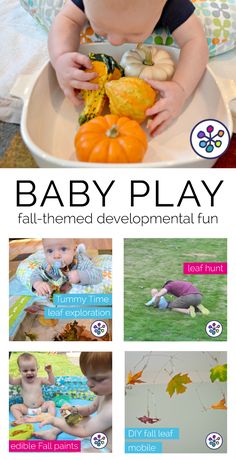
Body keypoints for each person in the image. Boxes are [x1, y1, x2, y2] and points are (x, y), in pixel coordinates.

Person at [48, 0, 209, 135]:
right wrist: (61, 56)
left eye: (135, 34)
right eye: (101, 28)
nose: (115, 41)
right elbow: (67, 18)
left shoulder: (173, 4)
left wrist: (180, 88)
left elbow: (195, 40)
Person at [34, 352, 112, 452]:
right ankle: (53, 432)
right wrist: (74, 409)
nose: (89, 384)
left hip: (106, 446)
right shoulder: (105, 393)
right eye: (87, 377)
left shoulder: (113, 409)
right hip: (98, 431)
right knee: (73, 414)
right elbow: (90, 409)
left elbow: (84, 431)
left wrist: (54, 421)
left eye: (98, 379)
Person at [30, 238, 103, 296]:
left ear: (74, 250)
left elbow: (98, 275)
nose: (56, 256)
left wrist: (80, 275)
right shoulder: (47, 264)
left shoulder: (82, 262)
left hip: (81, 257)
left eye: (63, 249)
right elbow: (36, 274)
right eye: (50, 251)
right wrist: (38, 283)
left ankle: (81, 251)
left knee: (86, 256)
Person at [9, 353, 56, 425]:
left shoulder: (40, 380)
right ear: (20, 371)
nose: (29, 373)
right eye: (25, 371)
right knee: (13, 407)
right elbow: (11, 382)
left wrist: (50, 373)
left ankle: (50, 417)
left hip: (41, 407)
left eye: (32, 370)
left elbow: (51, 382)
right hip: (26, 409)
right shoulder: (21, 380)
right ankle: (21, 419)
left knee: (51, 403)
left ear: (37, 369)